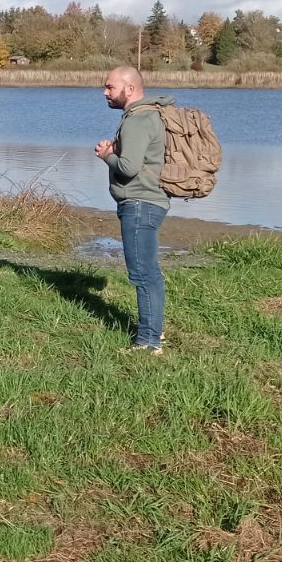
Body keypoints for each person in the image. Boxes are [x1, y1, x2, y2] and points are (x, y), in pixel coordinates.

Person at [96, 66, 171, 354]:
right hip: (146, 202)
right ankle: (153, 333)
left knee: (143, 273)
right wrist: (115, 149)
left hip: (140, 204)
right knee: (147, 272)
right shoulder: (146, 116)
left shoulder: (137, 120)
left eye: (110, 87)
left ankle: (149, 341)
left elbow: (128, 168)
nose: (105, 92)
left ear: (129, 89)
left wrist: (107, 156)